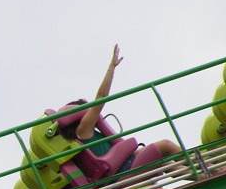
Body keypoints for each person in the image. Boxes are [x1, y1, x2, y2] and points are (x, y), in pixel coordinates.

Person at [59, 44, 182, 175]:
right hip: (123, 168)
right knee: (166, 145)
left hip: (122, 163)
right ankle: (200, 162)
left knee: (164, 161)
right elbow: (101, 97)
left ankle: (202, 174)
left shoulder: (79, 137)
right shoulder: (83, 130)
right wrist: (112, 67)